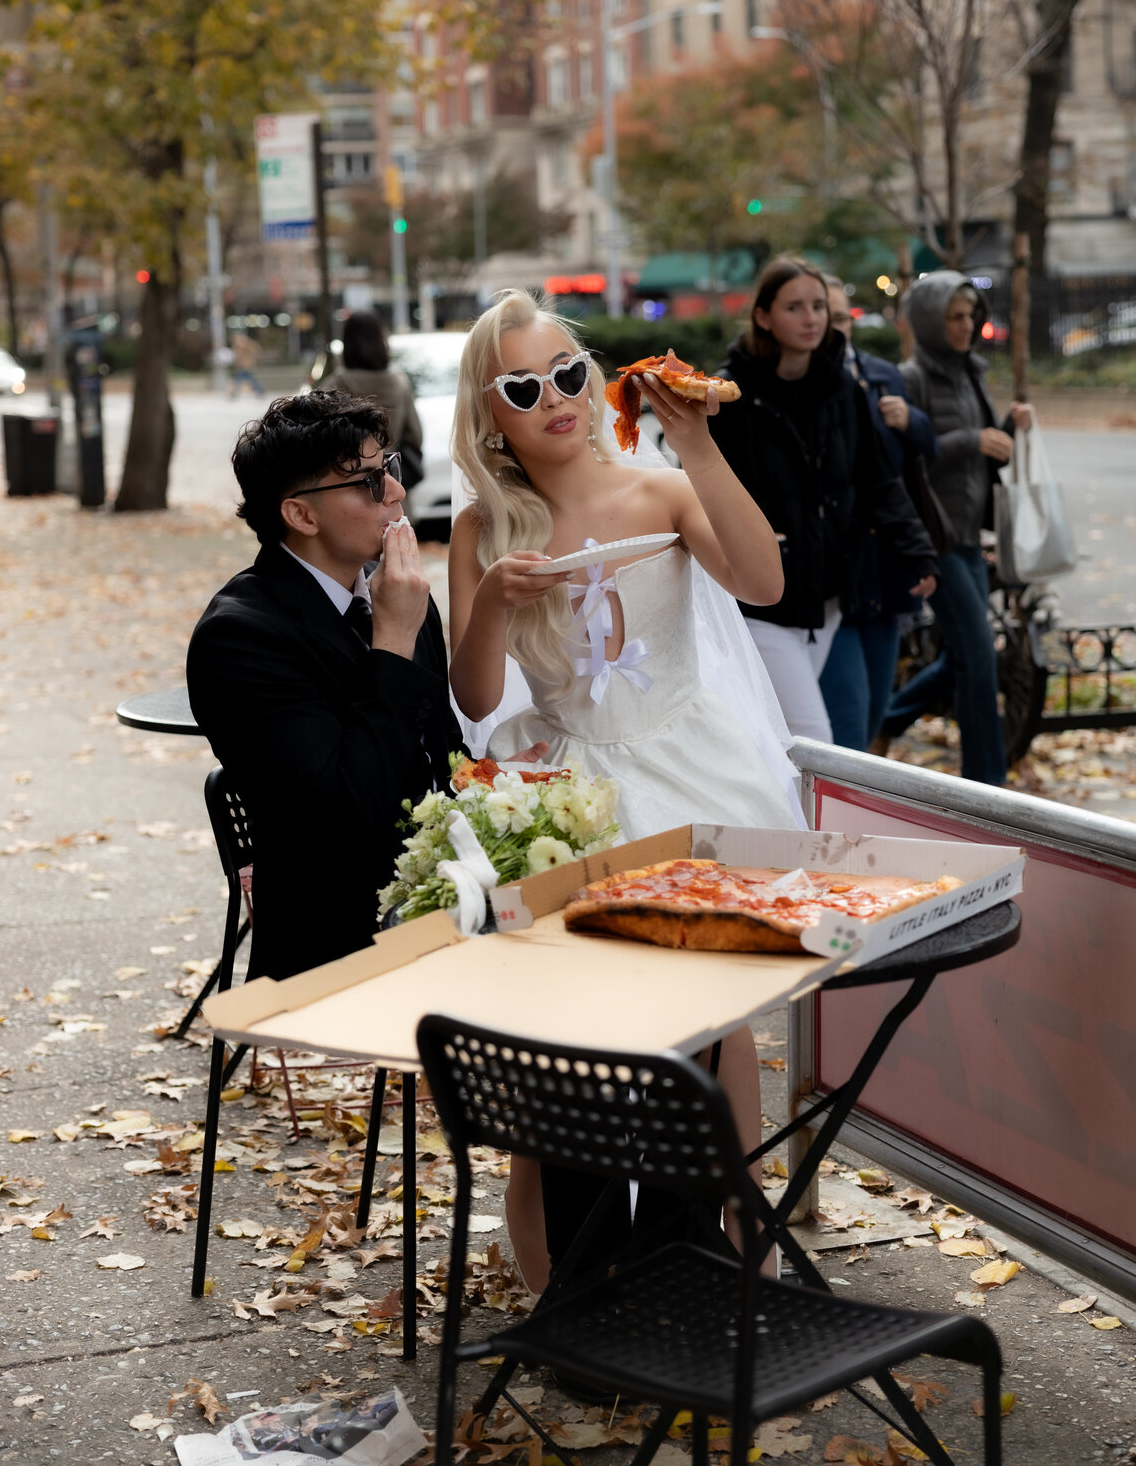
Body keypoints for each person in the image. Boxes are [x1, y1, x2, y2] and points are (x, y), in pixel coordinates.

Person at [447, 287, 797, 1291]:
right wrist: (491, 610)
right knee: (564, 1034)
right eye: (524, 386)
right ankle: (563, 1268)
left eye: (568, 372)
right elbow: (473, 696)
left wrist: (699, 450)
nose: (556, 396)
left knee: (715, 1018)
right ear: (491, 414)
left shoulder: (658, 491)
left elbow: (765, 582)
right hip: (570, 783)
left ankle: (737, 1249)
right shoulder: (483, 526)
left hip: (692, 767)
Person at [187, 389, 462, 983]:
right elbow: (343, 814)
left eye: (388, 467)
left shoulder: (394, 592)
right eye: (366, 482)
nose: (395, 491)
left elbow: (442, 750)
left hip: (454, 886)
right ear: (301, 515)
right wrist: (390, 642)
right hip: (340, 927)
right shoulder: (240, 637)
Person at [710, 257, 937, 746]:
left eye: (818, 306)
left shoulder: (842, 389)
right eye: (795, 307)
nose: (811, 318)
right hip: (764, 600)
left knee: (782, 737)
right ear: (764, 316)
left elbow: (878, 480)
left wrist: (918, 552)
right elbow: (703, 488)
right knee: (813, 739)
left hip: (832, 593)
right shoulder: (731, 396)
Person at [877, 270, 1033, 785]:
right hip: (933, 537)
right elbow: (914, 457)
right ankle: (988, 784)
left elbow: (982, 447)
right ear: (929, 320)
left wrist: (1011, 427)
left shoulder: (973, 372)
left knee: (968, 653)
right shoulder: (911, 377)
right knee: (977, 656)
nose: (967, 327)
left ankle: (886, 721)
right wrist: (973, 439)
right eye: (955, 318)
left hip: (969, 533)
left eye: (972, 317)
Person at [818, 279, 940, 751]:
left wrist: (911, 420)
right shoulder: (802, 388)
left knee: (872, 710)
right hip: (836, 573)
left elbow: (913, 462)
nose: (834, 327)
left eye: (842, 317)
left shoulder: (883, 374)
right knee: (846, 718)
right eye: (824, 316)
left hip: (886, 564)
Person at [327, 310, 423, 488]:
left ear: (348, 343)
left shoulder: (334, 386)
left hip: (347, 488)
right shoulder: (399, 383)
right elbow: (415, 435)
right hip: (391, 484)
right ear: (381, 340)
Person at [229, 330, 264, 398]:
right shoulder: (237, 346)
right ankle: (260, 391)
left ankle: (233, 392)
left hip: (246, 366)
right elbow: (237, 356)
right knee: (251, 379)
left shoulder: (247, 344)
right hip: (242, 366)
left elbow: (255, 352)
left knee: (239, 379)